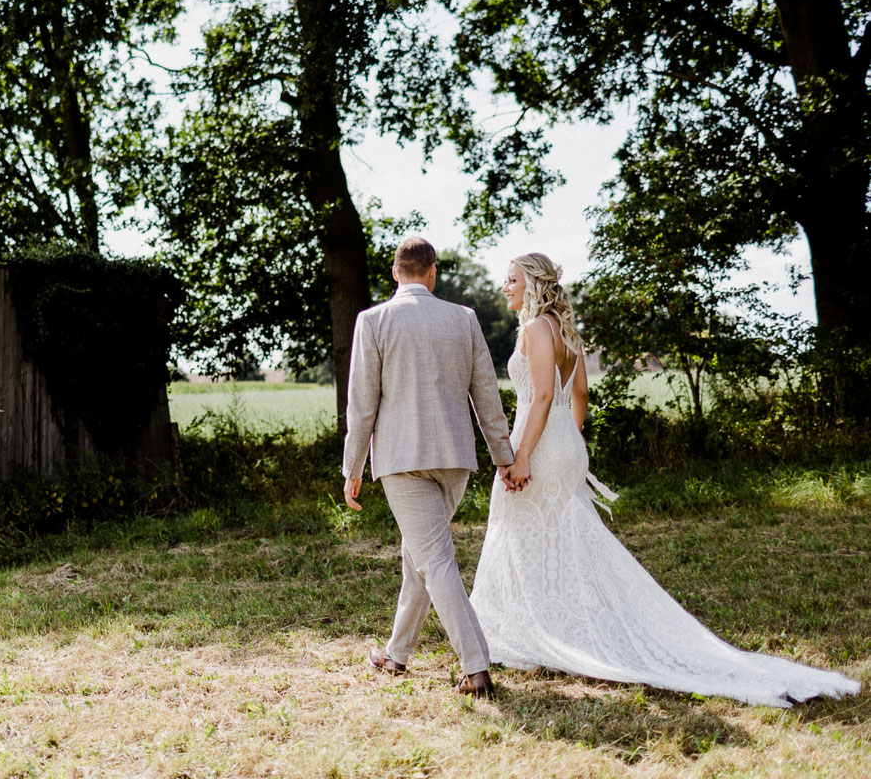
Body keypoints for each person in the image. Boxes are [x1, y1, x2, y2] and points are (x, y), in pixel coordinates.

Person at [470, 253, 861, 707]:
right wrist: (569, 442)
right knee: (558, 536)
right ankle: (549, 623)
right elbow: (579, 396)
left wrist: (522, 458)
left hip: (537, 443)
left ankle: (533, 629)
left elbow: (539, 396)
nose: (505, 286)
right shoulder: (565, 330)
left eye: (512, 279)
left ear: (533, 284)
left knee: (523, 532)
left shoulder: (537, 328)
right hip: (561, 443)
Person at [342, 237, 518, 697]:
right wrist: (503, 454)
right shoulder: (463, 318)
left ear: (396, 272)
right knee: (419, 556)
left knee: (434, 559)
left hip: (402, 460)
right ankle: (396, 654)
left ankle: (476, 666)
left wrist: (352, 466)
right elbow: (487, 393)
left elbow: (362, 403)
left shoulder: (373, 320)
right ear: (432, 272)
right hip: (456, 458)